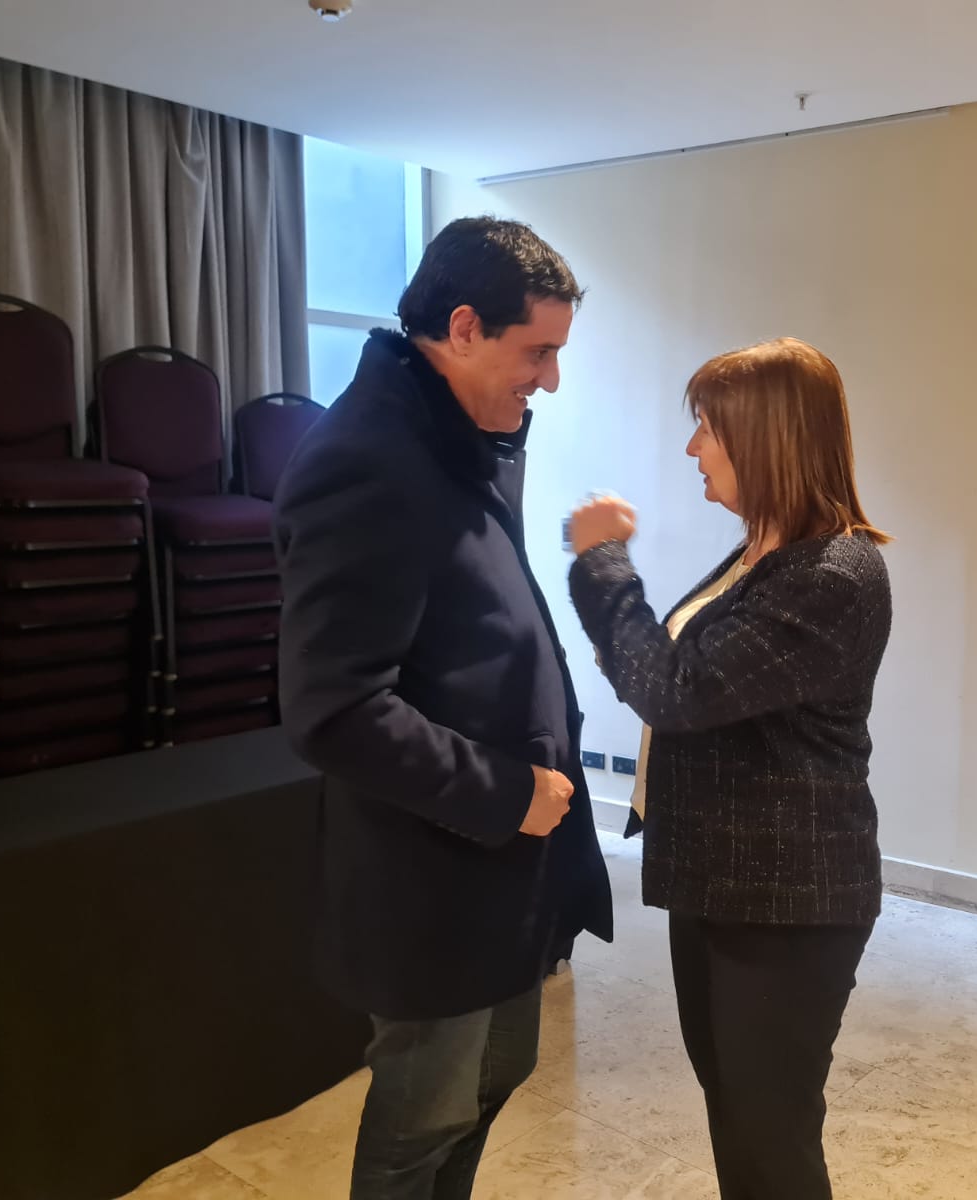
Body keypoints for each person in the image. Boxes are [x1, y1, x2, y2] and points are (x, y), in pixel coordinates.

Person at [273, 216, 614, 1200]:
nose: (549, 379)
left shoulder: (457, 432)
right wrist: (506, 791)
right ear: (463, 326)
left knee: (489, 1082)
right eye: (536, 352)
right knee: (422, 1121)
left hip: (502, 864)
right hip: (434, 870)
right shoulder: (368, 458)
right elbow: (334, 709)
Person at [566, 337, 893, 1200]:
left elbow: (676, 692)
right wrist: (639, 654)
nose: (692, 448)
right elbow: (671, 677)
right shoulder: (761, 554)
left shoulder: (836, 572)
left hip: (789, 899)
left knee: (772, 1132)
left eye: (707, 427)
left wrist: (603, 567)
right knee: (736, 1111)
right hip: (722, 881)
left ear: (767, 436)